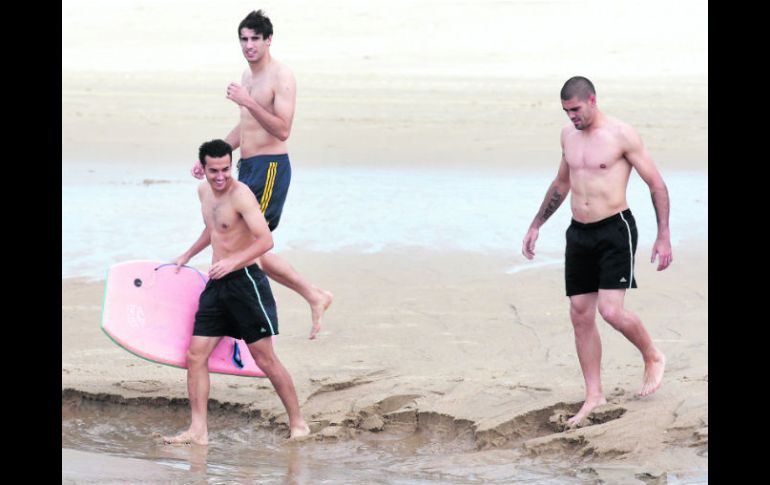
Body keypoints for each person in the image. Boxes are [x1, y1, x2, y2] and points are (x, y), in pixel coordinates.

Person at [521, 76, 670, 427]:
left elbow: (656, 184)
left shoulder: (621, 135)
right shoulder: (567, 136)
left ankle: (652, 355)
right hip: (579, 233)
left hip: (614, 229)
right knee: (579, 312)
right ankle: (594, 395)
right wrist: (536, 224)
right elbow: (561, 182)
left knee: (611, 311)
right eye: (566, 111)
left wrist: (663, 235)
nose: (571, 116)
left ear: (592, 100)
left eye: (575, 109)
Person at [191, 10, 332, 340]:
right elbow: (247, 125)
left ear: (269, 40)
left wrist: (247, 101)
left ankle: (309, 296)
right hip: (247, 166)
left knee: (252, 246)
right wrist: (217, 155)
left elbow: (282, 129)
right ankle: (310, 296)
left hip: (270, 169)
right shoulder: (247, 75)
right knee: (244, 245)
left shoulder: (281, 76)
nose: (249, 45)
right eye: (244, 38)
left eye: (255, 38)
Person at [165, 139, 310, 444]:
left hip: (245, 282)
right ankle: (198, 431)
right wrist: (188, 254)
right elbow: (214, 228)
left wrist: (231, 263)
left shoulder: (241, 195)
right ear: (202, 168)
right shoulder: (203, 191)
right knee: (195, 355)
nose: (220, 176)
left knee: (265, 359)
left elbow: (265, 241)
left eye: (226, 169)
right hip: (217, 284)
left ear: (231, 165)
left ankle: (299, 424)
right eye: (214, 170)